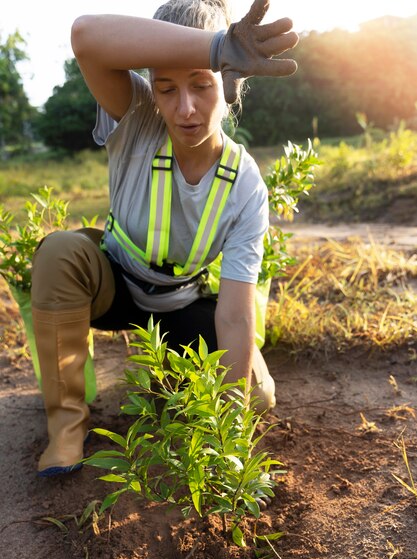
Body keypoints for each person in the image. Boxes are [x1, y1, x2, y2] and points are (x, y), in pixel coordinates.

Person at [30, 0, 299, 477]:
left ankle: (167, 383)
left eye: (201, 83)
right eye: (166, 87)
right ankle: (67, 427)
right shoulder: (135, 113)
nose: (185, 108)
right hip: (112, 287)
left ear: (231, 83)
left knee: (256, 396)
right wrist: (215, 47)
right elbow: (86, 34)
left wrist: (228, 437)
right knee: (60, 251)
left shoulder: (245, 185)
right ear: (150, 87)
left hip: (179, 304)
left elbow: (235, 313)